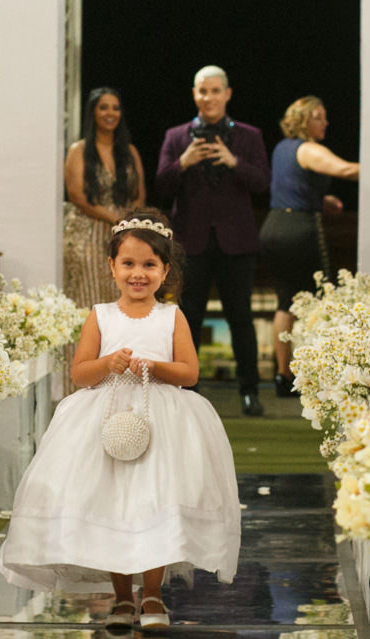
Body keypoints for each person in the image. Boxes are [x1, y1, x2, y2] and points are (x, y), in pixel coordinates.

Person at [0, 208, 241, 630]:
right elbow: (79, 372)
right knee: (110, 504)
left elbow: (189, 372)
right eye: (128, 264)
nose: (138, 274)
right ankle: (122, 596)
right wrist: (110, 362)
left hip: (160, 418)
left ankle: (152, 595)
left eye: (149, 265)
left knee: (153, 501)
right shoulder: (100, 315)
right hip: (104, 417)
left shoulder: (172, 316)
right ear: (112, 267)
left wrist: (150, 367)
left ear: (166, 271)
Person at [156, 65, 270, 416]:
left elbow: (264, 184)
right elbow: (160, 186)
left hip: (237, 242)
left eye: (215, 91)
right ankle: (187, 388)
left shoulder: (249, 136)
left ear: (227, 94)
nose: (209, 98)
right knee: (188, 319)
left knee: (241, 318)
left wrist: (235, 162)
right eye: (203, 91)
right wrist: (183, 163)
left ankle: (250, 391)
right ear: (194, 94)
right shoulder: (176, 136)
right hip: (191, 243)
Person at [258, 96, 358, 396]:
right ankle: (317, 375)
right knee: (317, 300)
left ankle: (282, 374)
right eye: (318, 116)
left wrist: (321, 200)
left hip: (273, 226)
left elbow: (292, 186)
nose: (324, 122)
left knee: (286, 301)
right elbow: (344, 170)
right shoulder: (308, 148)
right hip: (298, 230)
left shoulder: (281, 149)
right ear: (304, 120)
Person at [63, 86, 145, 311]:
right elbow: (77, 196)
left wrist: (129, 224)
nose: (110, 113)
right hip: (87, 234)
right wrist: (114, 218)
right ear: (93, 113)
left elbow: (139, 196)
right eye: (104, 108)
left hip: (122, 236)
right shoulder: (78, 150)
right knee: (88, 297)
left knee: (119, 297)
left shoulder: (130, 152)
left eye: (116, 108)